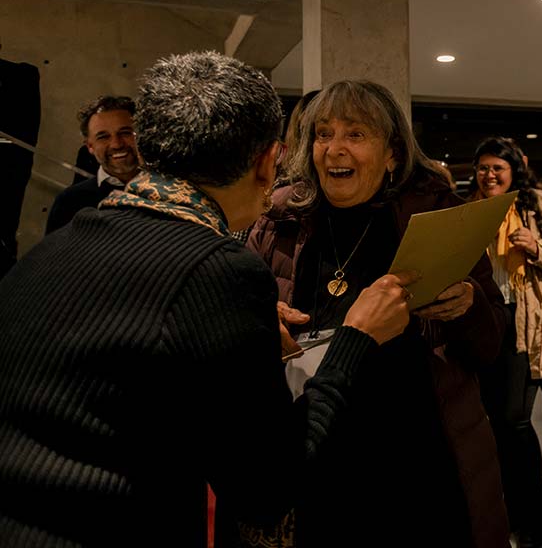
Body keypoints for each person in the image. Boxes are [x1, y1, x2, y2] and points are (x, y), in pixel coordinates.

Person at [0, 51, 413, 547]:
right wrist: (356, 338)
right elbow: (267, 489)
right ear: (267, 161)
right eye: (323, 134)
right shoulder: (218, 269)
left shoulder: (46, 253)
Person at [245, 80, 510, 547]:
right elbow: (238, 327)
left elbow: (490, 349)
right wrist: (263, 322)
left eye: (356, 134)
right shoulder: (277, 219)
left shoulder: (438, 214)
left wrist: (468, 307)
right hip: (315, 449)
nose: (334, 149)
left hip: (417, 456)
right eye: (323, 134)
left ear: (392, 154)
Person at [470, 136, 542, 546]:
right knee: (494, 423)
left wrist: (537, 246)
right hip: (486, 320)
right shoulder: (473, 207)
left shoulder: (537, 202)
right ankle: (507, 512)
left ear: (514, 169)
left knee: (516, 421)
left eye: (497, 167)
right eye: (482, 167)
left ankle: (533, 522)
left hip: (526, 320)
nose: (489, 174)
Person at [45, 95, 142, 233]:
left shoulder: (171, 192)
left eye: (125, 133)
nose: (116, 144)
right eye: (103, 137)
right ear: (90, 146)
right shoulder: (69, 202)